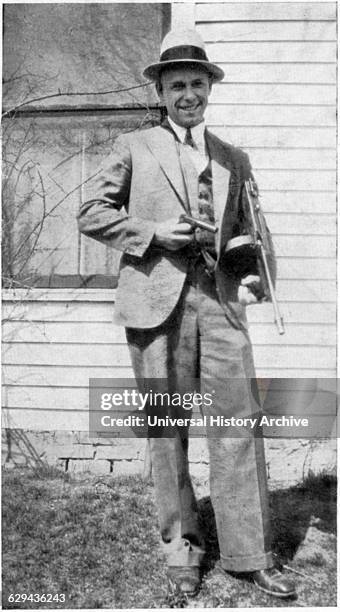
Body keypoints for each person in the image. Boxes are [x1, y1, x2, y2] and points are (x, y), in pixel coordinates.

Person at [78, 29, 296, 599]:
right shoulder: (134, 145)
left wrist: (258, 272)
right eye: (177, 84)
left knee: (236, 426)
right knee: (166, 431)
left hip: (221, 304)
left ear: (209, 89)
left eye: (198, 83)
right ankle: (182, 551)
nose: (188, 93)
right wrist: (150, 234)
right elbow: (90, 211)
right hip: (157, 307)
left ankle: (249, 554)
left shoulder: (233, 157)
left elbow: (253, 225)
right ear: (162, 90)